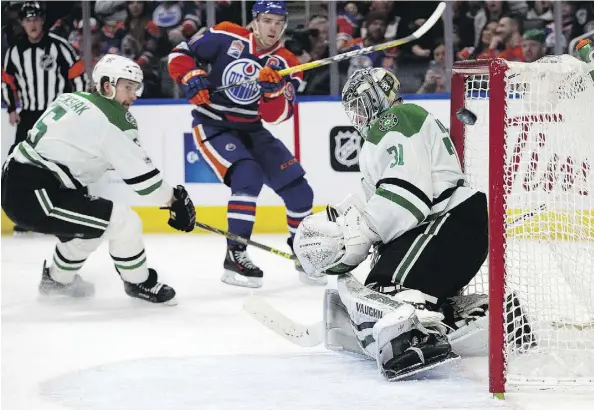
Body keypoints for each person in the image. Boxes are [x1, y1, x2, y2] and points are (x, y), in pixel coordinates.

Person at [293, 68, 490, 380]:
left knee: (384, 292)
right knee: (382, 287)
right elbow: (388, 195)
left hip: (445, 224)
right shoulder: (396, 125)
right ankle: (482, 317)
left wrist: (360, 235)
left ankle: (416, 339)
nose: (357, 115)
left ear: (377, 97)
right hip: (450, 227)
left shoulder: (393, 119)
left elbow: (407, 193)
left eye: (360, 104)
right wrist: (343, 227)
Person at [1, 54, 196, 305]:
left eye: (135, 88)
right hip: (36, 193)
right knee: (124, 221)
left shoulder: (72, 98)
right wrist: (174, 200)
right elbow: (145, 183)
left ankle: (57, 281)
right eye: (128, 87)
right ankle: (139, 282)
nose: (134, 95)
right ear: (107, 85)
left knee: (92, 226)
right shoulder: (113, 121)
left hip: (22, 180)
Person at [167, 1, 322, 288]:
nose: (272, 27)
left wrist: (273, 91)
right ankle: (235, 257)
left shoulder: (288, 62)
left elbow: (278, 115)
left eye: (278, 22)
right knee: (247, 176)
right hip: (213, 123)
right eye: (267, 20)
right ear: (255, 21)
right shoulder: (227, 35)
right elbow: (180, 53)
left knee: (300, 192)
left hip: (253, 129)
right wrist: (190, 75)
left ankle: (305, 256)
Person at [2, 2, 89, 233]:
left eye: (36, 19)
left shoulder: (60, 47)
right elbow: (7, 81)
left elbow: (79, 78)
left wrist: (77, 109)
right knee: (19, 164)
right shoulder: (14, 52)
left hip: (57, 115)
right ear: (22, 23)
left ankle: (81, 211)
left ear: (43, 21)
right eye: (27, 19)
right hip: (29, 115)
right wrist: (11, 108)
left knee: (68, 161)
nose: (32, 23)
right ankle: (24, 215)